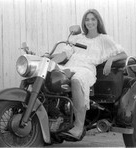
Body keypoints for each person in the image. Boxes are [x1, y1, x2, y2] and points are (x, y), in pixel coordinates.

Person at [51, 9, 127, 139]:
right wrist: (49, 62)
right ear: (84, 22)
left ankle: (78, 127)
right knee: (51, 77)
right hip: (71, 66)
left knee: (76, 80)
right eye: (87, 19)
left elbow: (123, 54)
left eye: (93, 19)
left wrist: (110, 60)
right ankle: (55, 116)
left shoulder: (104, 39)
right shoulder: (77, 38)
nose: (89, 22)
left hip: (86, 70)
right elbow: (65, 54)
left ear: (98, 21)